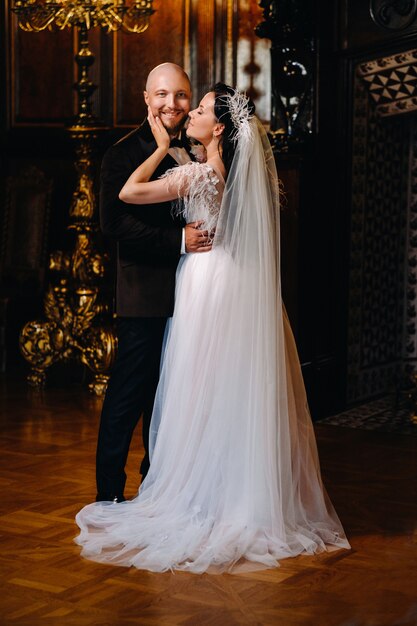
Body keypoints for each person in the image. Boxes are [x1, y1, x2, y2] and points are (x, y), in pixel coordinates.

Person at [76, 84, 350, 573]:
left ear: (219, 127)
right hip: (232, 280)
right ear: (145, 96)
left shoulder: (201, 170)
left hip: (206, 282)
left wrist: (161, 150)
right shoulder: (234, 171)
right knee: (226, 389)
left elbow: (130, 193)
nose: (189, 110)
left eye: (198, 105)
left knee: (197, 386)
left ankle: (198, 495)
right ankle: (229, 492)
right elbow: (115, 214)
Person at [96, 63, 212, 503]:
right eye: (162, 95)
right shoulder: (122, 153)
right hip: (144, 294)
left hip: (192, 295)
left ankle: (155, 492)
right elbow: (112, 223)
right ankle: (108, 494)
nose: (172, 104)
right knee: (128, 396)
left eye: (181, 95)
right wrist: (177, 241)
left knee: (169, 400)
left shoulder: (195, 149)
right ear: (146, 97)